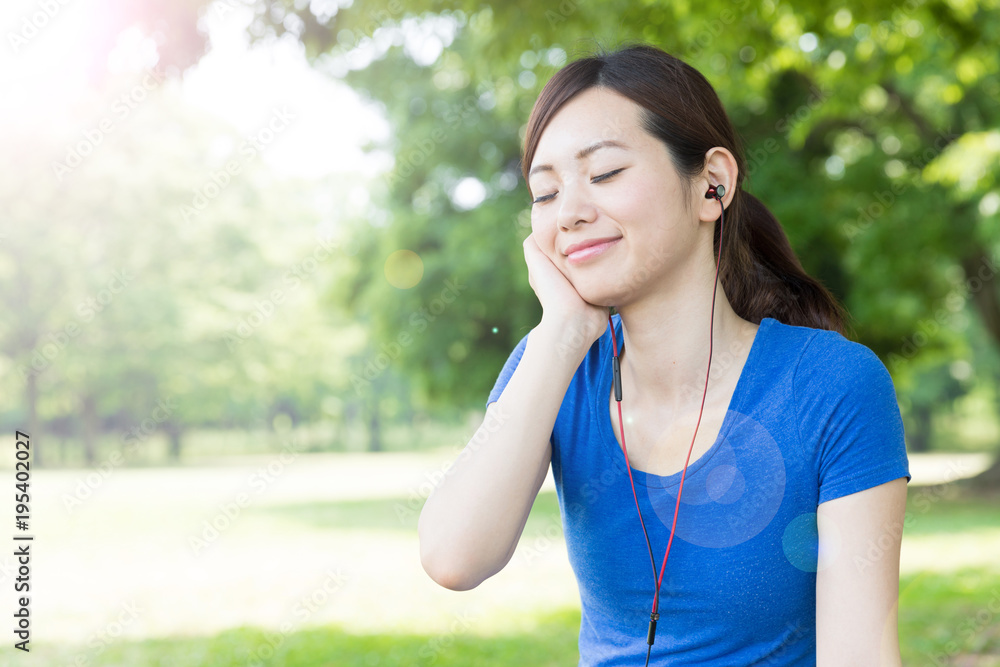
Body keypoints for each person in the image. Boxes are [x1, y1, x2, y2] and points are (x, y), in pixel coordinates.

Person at [418, 43, 911, 666]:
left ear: (712, 185)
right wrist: (564, 333)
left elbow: (861, 656)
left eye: (604, 174)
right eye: (545, 193)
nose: (569, 212)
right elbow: (453, 558)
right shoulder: (553, 365)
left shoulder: (831, 384)